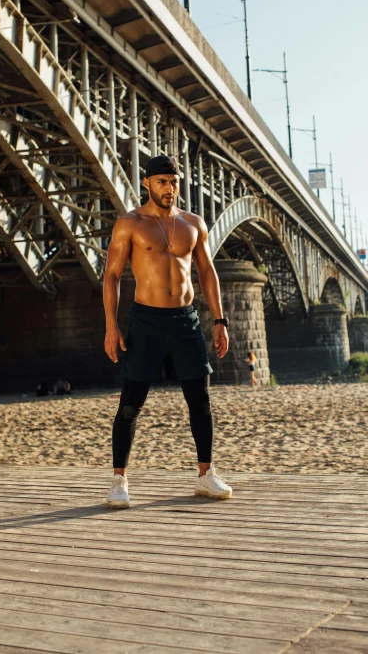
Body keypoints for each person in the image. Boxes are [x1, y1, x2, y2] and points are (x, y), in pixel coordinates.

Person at [103, 154, 232, 508]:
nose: (169, 188)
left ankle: (206, 475)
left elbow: (206, 272)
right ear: (147, 184)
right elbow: (112, 276)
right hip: (146, 321)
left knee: (200, 402)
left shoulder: (193, 224)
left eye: (174, 182)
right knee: (130, 405)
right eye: (162, 182)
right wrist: (111, 326)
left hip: (186, 320)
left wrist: (219, 320)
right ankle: (119, 481)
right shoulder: (130, 224)